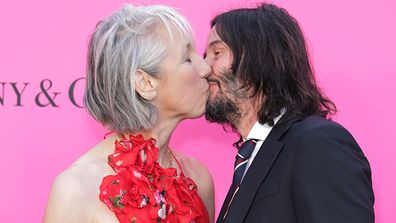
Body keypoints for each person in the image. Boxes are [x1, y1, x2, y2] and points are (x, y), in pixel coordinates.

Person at [204, 3, 374, 223]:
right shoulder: (251, 158)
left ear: (259, 58)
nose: (204, 67)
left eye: (217, 53)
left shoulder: (318, 143)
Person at [44, 4, 214, 223]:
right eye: (187, 59)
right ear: (145, 83)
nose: (205, 68)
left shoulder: (198, 178)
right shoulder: (76, 189)